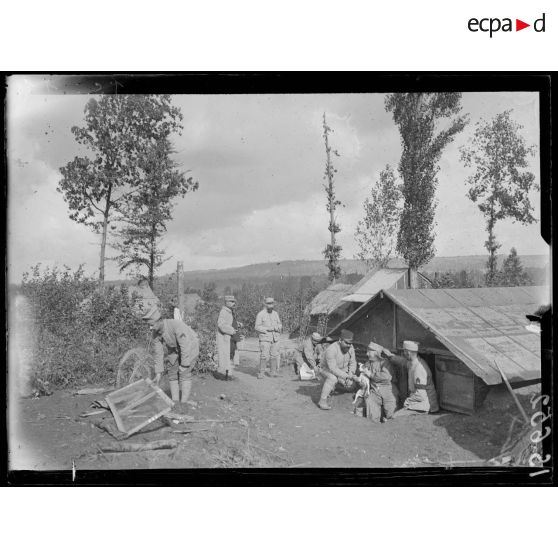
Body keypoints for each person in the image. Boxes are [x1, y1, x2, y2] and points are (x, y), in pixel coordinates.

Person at [141, 306, 199, 404]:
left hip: (190, 346)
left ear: (159, 321)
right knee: (172, 371)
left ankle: (183, 403)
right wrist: (158, 372)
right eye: (149, 325)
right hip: (174, 349)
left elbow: (185, 345)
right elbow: (158, 354)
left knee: (185, 373)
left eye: (152, 325)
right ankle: (175, 402)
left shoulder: (175, 325)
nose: (150, 328)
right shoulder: (155, 334)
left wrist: (184, 364)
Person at [383, 340, 439, 415]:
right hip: (418, 401)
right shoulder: (413, 362)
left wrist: (407, 401)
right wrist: (390, 355)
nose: (403, 354)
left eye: (404, 352)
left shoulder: (419, 368)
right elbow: (402, 361)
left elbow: (421, 395)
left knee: (395, 416)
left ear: (408, 353)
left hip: (425, 404)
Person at [356, 341, 399, 422]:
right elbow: (362, 375)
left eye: (369, 352)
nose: (367, 354)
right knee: (370, 401)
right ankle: (374, 423)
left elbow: (386, 377)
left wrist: (370, 374)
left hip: (388, 391)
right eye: (367, 351)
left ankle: (388, 421)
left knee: (391, 413)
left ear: (376, 353)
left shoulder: (385, 363)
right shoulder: (368, 363)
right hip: (375, 390)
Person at [318, 329, 357, 410]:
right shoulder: (331, 350)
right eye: (346, 343)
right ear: (340, 340)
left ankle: (334, 387)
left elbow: (353, 362)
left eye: (350, 343)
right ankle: (322, 401)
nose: (349, 345)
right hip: (326, 369)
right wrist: (346, 376)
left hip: (341, 371)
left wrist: (351, 373)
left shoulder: (351, 348)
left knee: (351, 385)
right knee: (333, 378)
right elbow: (333, 368)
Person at [216, 295, 242, 381]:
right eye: (231, 301)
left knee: (231, 355)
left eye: (234, 301)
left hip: (231, 337)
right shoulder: (224, 312)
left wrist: (237, 324)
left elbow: (229, 322)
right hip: (226, 338)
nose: (233, 303)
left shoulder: (230, 311)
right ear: (226, 302)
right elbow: (221, 325)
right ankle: (225, 375)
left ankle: (228, 374)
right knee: (225, 356)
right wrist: (231, 330)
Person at [255, 297, 282, 379]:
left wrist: (278, 327)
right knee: (264, 356)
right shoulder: (260, 314)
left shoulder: (275, 314)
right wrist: (267, 329)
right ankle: (261, 373)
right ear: (265, 304)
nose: (271, 305)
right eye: (269, 303)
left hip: (275, 338)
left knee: (274, 355)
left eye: (272, 303)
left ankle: (273, 372)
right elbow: (257, 327)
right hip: (265, 338)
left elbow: (280, 324)